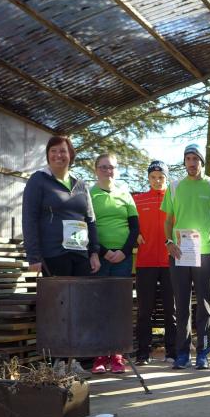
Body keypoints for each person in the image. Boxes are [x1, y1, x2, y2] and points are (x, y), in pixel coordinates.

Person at [22, 136, 100, 378]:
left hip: (80, 254)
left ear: (70, 155)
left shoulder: (80, 184)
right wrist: (33, 255)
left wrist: (94, 251)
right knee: (59, 308)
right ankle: (57, 361)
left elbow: (91, 220)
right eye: (53, 151)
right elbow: (29, 218)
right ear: (47, 155)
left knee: (77, 308)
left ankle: (73, 360)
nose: (58, 155)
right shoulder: (38, 180)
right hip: (53, 253)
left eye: (63, 151)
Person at [161, 143, 210, 370]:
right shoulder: (174, 186)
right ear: (184, 162)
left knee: (204, 304)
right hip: (180, 252)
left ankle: (203, 353)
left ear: (202, 161)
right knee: (181, 304)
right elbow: (168, 220)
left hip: (205, 252)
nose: (192, 163)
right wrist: (168, 242)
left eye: (195, 159)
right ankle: (182, 354)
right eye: (188, 159)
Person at [88, 153, 139, 374]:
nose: (108, 171)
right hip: (99, 258)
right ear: (95, 169)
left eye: (112, 167)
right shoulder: (89, 195)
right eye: (103, 167)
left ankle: (117, 355)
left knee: (119, 306)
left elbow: (135, 228)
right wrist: (103, 251)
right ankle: (100, 355)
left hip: (123, 260)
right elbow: (87, 227)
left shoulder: (125, 194)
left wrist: (123, 252)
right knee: (99, 306)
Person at [133, 161, 177, 365]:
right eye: (153, 177)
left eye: (161, 177)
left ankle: (172, 352)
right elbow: (129, 221)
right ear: (148, 178)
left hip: (170, 261)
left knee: (171, 310)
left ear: (166, 178)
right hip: (146, 262)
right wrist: (135, 233)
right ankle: (143, 353)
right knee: (145, 311)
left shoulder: (174, 198)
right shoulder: (138, 200)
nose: (157, 181)